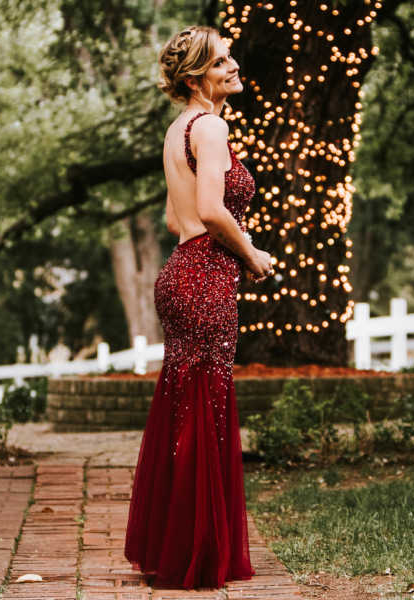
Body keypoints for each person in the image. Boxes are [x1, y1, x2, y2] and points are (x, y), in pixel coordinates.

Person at [124, 26, 273, 589]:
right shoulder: (210, 125)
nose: (233, 66)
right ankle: (198, 554)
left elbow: (172, 218)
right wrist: (251, 253)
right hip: (206, 274)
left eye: (231, 57)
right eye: (221, 61)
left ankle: (179, 544)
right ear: (195, 78)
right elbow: (211, 208)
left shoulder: (177, 129)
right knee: (205, 409)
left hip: (179, 273)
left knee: (186, 408)